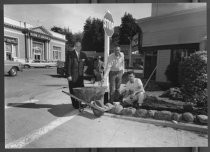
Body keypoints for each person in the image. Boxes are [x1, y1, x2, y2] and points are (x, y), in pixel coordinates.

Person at [66, 41, 88, 109]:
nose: (78, 47)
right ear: (75, 47)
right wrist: (68, 75)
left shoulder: (83, 54)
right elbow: (68, 65)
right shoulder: (70, 54)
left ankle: (79, 104)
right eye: (77, 46)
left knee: (80, 91)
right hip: (72, 76)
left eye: (80, 46)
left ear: (81, 47)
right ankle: (75, 105)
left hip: (80, 77)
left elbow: (87, 63)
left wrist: (84, 70)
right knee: (72, 91)